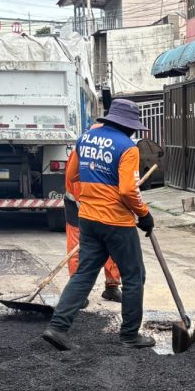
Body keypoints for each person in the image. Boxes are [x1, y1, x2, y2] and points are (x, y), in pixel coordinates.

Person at [43, 98, 153, 351]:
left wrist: (90, 198)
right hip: (117, 222)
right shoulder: (128, 147)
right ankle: (129, 335)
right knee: (134, 276)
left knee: (84, 273)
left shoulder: (85, 139)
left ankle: (57, 328)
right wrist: (144, 215)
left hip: (88, 220)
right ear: (127, 125)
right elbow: (127, 190)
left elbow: (71, 176)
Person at [64, 115, 123, 303]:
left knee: (111, 245)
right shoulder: (83, 149)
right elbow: (71, 178)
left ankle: (112, 286)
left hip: (102, 207)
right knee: (77, 248)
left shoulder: (111, 148)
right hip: (78, 204)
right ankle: (77, 293)